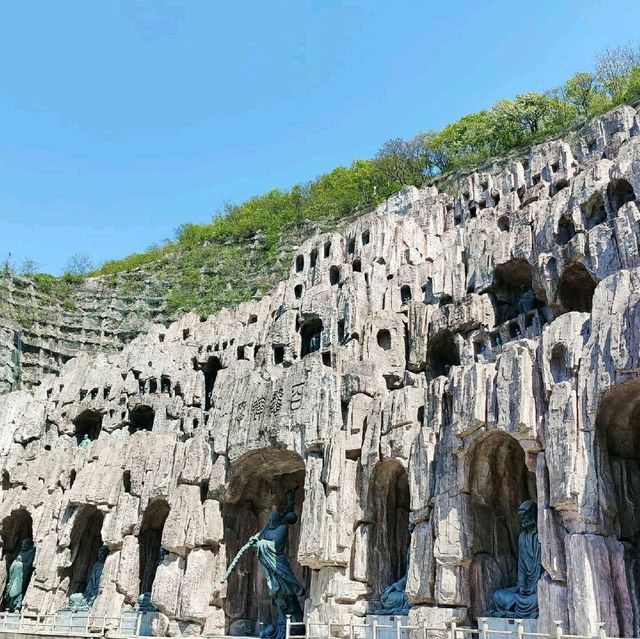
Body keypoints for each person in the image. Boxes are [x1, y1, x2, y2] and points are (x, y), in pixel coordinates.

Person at [484, 500, 542, 619]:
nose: (523, 519)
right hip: (525, 590)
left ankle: (512, 613)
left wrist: (536, 586)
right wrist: (521, 585)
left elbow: (547, 567)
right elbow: (521, 565)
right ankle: (517, 612)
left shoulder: (542, 536)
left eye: (526, 515)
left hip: (538, 589)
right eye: (521, 516)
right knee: (498, 595)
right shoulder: (522, 537)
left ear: (534, 515)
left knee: (539, 598)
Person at [69, 545, 108, 611]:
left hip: (98, 593)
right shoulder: (96, 565)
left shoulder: (106, 565)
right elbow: (91, 580)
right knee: (73, 597)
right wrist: (88, 592)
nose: (100, 555)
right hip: (90, 591)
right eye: (99, 553)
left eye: (102, 553)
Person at [4, 537, 36, 612]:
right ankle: (10, 606)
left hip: (21, 575)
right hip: (15, 575)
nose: (23, 545)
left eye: (25, 544)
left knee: (18, 590)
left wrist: (20, 564)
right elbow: (15, 562)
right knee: (10, 589)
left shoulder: (31, 551)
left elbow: (29, 564)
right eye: (22, 544)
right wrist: (15, 563)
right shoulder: (20, 552)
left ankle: (17, 606)